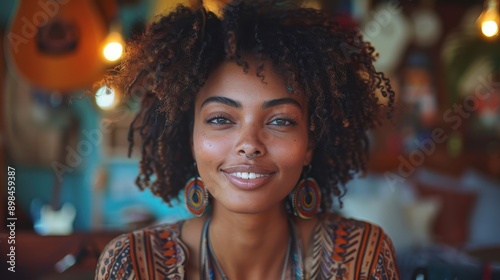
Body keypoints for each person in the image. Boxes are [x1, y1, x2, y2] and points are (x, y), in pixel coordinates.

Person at [95, 0, 399, 279]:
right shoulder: (134, 264)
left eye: (281, 120)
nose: (249, 144)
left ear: (309, 144)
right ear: (191, 139)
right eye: (221, 119)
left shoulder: (361, 259)